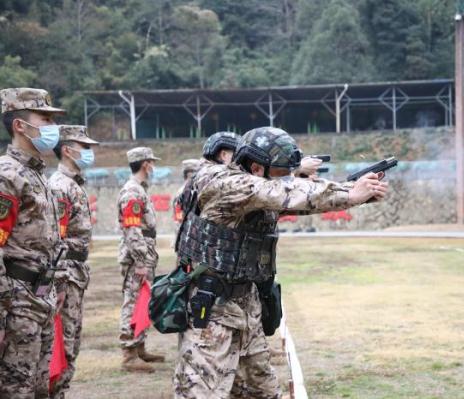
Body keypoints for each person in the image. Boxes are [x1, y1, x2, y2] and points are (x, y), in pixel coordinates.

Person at [173, 127, 388, 398]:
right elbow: (283, 192)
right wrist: (350, 194)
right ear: (255, 167)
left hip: (245, 301)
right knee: (201, 392)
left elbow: (297, 199)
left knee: (261, 388)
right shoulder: (225, 183)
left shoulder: (253, 185)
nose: (286, 177)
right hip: (212, 306)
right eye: (279, 172)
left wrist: (359, 192)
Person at [0, 88, 65, 398]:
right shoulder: (7, 175)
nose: (52, 126)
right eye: (45, 118)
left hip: (41, 297)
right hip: (17, 303)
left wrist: (57, 285)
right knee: (16, 389)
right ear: (20, 125)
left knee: (40, 388)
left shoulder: (38, 174)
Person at [48, 125, 99, 398]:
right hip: (65, 274)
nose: (90, 153)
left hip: (75, 272)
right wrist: (58, 282)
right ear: (67, 150)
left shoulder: (73, 185)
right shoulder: (60, 187)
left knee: (71, 342)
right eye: (85, 147)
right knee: (63, 345)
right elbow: (55, 239)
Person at [117, 147, 164, 373]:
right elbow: (132, 230)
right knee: (133, 301)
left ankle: (140, 347)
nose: (153, 166)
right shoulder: (132, 193)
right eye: (151, 162)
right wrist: (141, 260)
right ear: (145, 164)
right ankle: (129, 354)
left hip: (145, 253)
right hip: (137, 257)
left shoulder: (140, 190)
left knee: (143, 300)